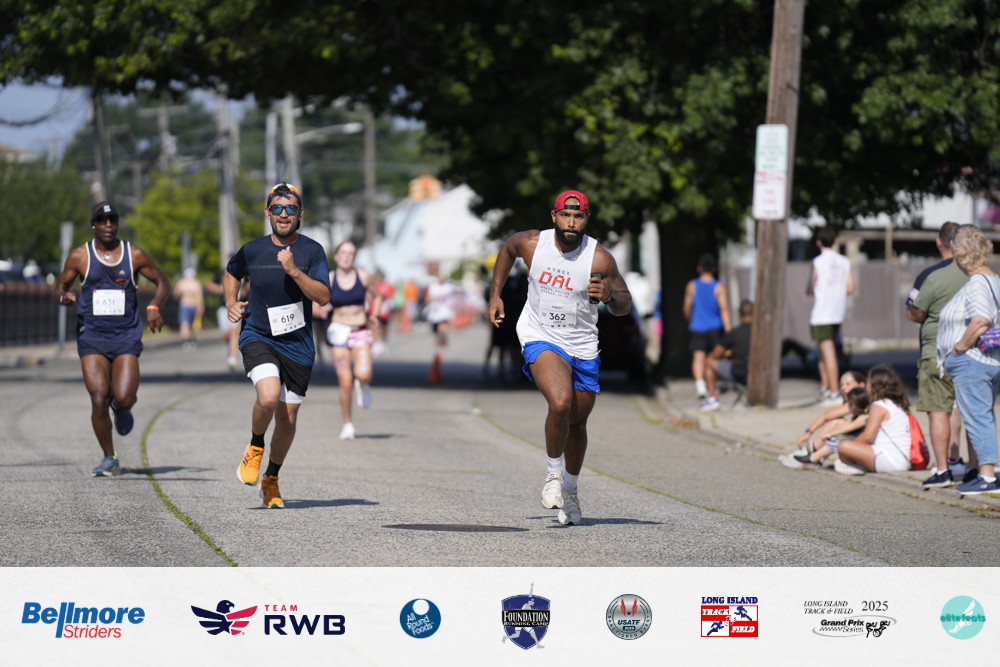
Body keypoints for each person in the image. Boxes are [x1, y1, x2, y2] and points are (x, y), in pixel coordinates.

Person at [487, 189, 633, 525]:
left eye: (578, 216)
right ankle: (553, 475)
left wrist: (610, 297)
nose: (571, 222)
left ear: (586, 219)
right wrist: (495, 295)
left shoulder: (599, 258)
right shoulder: (532, 244)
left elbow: (624, 304)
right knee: (560, 401)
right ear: (554, 216)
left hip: (582, 343)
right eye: (565, 215)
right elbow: (507, 248)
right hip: (540, 334)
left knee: (577, 423)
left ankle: (571, 489)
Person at [226, 183, 331, 508]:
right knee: (269, 396)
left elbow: (323, 297)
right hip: (258, 334)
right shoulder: (253, 250)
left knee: (287, 418)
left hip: (298, 345)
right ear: (267, 213)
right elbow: (232, 272)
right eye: (277, 208)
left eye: (290, 209)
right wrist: (231, 301)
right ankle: (255, 445)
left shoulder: (312, 251)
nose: (283, 214)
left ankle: (271, 479)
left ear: (300, 214)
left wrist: (294, 271)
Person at [54, 201, 170, 476]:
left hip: (125, 335)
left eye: (112, 219)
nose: (108, 224)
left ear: (117, 223)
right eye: (101, 219)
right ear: (93, 224)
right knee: (98, 397)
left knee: (125, 396)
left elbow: (162, 282)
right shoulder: (80, 256)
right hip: (92, 335)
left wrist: (154, 305)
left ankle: (122, 407)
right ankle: (109, 457)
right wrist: (62, 296)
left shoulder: (134, 255)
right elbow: (60, 285)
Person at [905, 222, 971, 488]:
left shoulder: (930, 276)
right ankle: (970, 466)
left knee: (938, 410)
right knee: (967, 410)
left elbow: (914, 312)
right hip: (972, 351)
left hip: (936, 351)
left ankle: (943, 469)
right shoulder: (980, 275)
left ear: (940, 242)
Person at [937, 225, 1000, 495]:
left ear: (961, 256)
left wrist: (958, 349)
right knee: (983, 416)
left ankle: (987, 476)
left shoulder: (977, 282)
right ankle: (985, 471)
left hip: (973, 360)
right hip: (989, 360)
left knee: (977, 417)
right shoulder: (993, 279)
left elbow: (980, 320)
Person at [313, 241, 381, 441]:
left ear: (355, 257)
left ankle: (364, 384)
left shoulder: (364, 276)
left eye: (351, 253)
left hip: (360, 329)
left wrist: (374, 314)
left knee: (363, 373)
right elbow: (313, 302)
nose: (346, 256)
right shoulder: (329, 278)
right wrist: (320, 310)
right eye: (343, 253)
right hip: (338, 331)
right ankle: (348, 424)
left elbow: (378, 296)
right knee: (345, 381)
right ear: (336, 256)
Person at [835, 365, 913, 476]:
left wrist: (851, 449)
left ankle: (858, 466)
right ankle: (857, 463)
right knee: (848, 447)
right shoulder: (895, 404)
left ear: (874, 386)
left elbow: (868, 436)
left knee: (844, 447)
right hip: (903, 459)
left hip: (891, 460)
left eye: (868, 382)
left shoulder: (879, 405)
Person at [807, 227, 855, 405]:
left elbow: (810, 288)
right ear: (835, 241)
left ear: (818, 242)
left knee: (827, 354)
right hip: (837, 312)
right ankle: (825, 388)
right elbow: (850, 288)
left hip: (821, 314)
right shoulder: (844, 261)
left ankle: (834, 392)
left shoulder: (817, 262)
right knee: (822, 353)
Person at [683, 253, 730, 410]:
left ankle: (700, 386)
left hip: (698, 326)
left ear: (699, 268)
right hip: (715, 326)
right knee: (712, 359)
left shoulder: (692, 285)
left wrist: (690, 320)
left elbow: (687, 307)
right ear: (714, 269)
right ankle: (711, 388)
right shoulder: (719, 287)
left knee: (698, 357)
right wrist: (728, 330)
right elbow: (724, 309)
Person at [788, 387, 870, 468]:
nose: (848, 406)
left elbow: (849, 427)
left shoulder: (863, 417)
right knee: (837, 432)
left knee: (837, 440)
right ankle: (814, 455)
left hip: (861, 445)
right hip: (858, 441)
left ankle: (813, 458)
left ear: (855, 405)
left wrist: (830, 433)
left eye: (850, 404)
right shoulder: (860, 414)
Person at [704, 299, 753, 408]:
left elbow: (716, 354)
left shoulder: (734, 333)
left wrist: (727, 354)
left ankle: (711, 399)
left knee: (710, 360)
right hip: (759, 371)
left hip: (740, 372)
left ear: (739, 314)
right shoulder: (760, 332)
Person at [206, 264, 246, 370]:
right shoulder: (221, 273)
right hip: (223, 308)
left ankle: (232, 358)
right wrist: (224, 289)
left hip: (238, 306)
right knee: (226, 335)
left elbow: (249, 284)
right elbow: (209, 285)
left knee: (234, 331)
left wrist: (245, 290)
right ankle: (230, 348)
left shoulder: (244, 271)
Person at [424, 261, 456, 384]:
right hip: (434, 314)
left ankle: (441, 349)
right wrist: (432, 300)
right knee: (436, 334)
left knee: (442, 330)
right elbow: (427, 299)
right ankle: (439, 348)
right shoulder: (432, 286)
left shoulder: (448, 286)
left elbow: (454, 296)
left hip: (445, 313)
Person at [173, 267, 204, 349]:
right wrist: (201, 306)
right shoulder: (196, 283)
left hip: (184, 304)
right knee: (192, 325)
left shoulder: (181, 283)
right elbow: (200, 297)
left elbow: (176, 294)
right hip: (193, 305)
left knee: (185, 324)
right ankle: (191, 340)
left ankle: (186, 341)